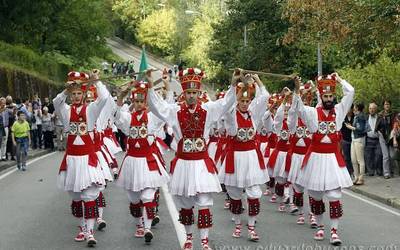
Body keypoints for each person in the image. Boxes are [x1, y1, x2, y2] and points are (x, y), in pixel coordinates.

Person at [146, 68, 236, 250]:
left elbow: (225, 103)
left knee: (204, 201)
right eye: (189, 93)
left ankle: (204, 241)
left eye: (195, 92)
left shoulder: (208, 109)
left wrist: (234, 84)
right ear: (184, 93)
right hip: (184, 163)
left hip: (202, 163)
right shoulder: (174, 110)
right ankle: (188, 237)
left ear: (199, 92)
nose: (192, 96)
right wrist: (149, 85)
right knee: (186, 203)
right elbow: (157, 107)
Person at [293, 73, 354, 245]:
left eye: (331, 96)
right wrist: (297, 89)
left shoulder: (339, 111)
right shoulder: (313, 113)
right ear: (321, 96)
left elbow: (351, 92)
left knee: (334, 195)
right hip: (316, 159)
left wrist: (340, 80)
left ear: (333, 96)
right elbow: (299, 109)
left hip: (333, 160)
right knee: (316, 195)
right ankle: (320, 227)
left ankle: (334, 231)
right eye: (325, 96)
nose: (328, 99)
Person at [54, 70, 108, 247]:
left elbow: (104, 99)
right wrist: (65, 90)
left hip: (87, 159)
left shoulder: (91, 110)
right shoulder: (66, 111)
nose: (76, 96)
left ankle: (90, 233)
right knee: (76, 198)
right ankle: (82, 229)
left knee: (89, 196)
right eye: (74, 93)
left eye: (79, 93)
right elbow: (56, 102)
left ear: (84, 94)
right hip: (72, 160)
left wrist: (97, 81)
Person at [114, 80, 170, 244]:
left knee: (148, 196)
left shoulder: (152, 118)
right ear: (133, 101)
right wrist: (119, 99)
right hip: (132, 162)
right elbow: (116, 116)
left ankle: (147, 228)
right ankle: (139, 224)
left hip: (148, 161)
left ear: (146, 102)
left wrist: (163, 92)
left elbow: (163, 112)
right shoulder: (128, 118)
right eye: (136, 101)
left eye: (142, 101)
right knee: (134, 198)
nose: (139, 104)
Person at [219, 74, 270, 241]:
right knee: (234, 194)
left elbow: (265, 97)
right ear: (237, 100)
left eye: (247, 101)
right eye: (242, 101)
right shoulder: (231, 115)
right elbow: (226, 105)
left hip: (251, 158)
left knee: (254, 193)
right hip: (235, 157)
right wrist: (235, 82)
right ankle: (238, 225)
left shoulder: (253, 114)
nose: (245, 104)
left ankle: (251, 227)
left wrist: (256, 80)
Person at [345, 103, 367, 185]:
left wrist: (350, 127)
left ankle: (361, 178)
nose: (353, 109)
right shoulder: (357, 116)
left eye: (354, 107)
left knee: (360, 160)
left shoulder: (361, 116)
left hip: (359, 139)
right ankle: (356, 176)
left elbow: (360, 129)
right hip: (354, 139)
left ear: (357, 108)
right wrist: (351, 126)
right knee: (353, 159)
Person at [376, 100, 398, 178]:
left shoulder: (394, 114)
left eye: (388, 104)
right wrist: (379, 133)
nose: (387, 105)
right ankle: (386, 173)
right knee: (386, 156)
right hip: (382, 136)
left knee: (392, 155)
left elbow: (396, 125)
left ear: (390, 105)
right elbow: (377, 126)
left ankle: (392, 171)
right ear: (383, 106)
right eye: (385, 104)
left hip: (391, 137)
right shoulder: (380, 115)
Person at [365, 102, 382, 176]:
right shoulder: (365, 117)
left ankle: (378, 170)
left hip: (378, 140)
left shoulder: (380, 117)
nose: (371, 110)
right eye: (370, 108)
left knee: (378, 155)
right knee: (368, 156)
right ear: (368, 109)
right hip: (368, 139)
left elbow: (383, 127)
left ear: (376, 109)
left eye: (373, 108)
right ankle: (370, 171)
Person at [341, 105, 354, 177]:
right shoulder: (343, 117)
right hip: (345, 140)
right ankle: (349, 172)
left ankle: (354, 171)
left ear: (352, 109)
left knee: (353, 158)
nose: (347, 110)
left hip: (353, 140)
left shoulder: (355, 117)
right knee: (346, 157)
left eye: (349, 108)